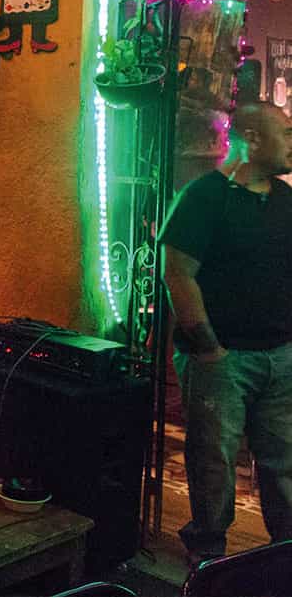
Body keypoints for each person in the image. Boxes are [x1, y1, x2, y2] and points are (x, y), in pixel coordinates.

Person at [161, 102, 292, 569]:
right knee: (213, 460)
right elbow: (177, 273)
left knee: (283, 460)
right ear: (254, 139)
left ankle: (284, 554)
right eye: (286, 133)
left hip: (281, 355)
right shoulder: (204, 197)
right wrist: (208, 347)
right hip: (224, 357)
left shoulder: (285, 200)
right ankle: (208, 553)